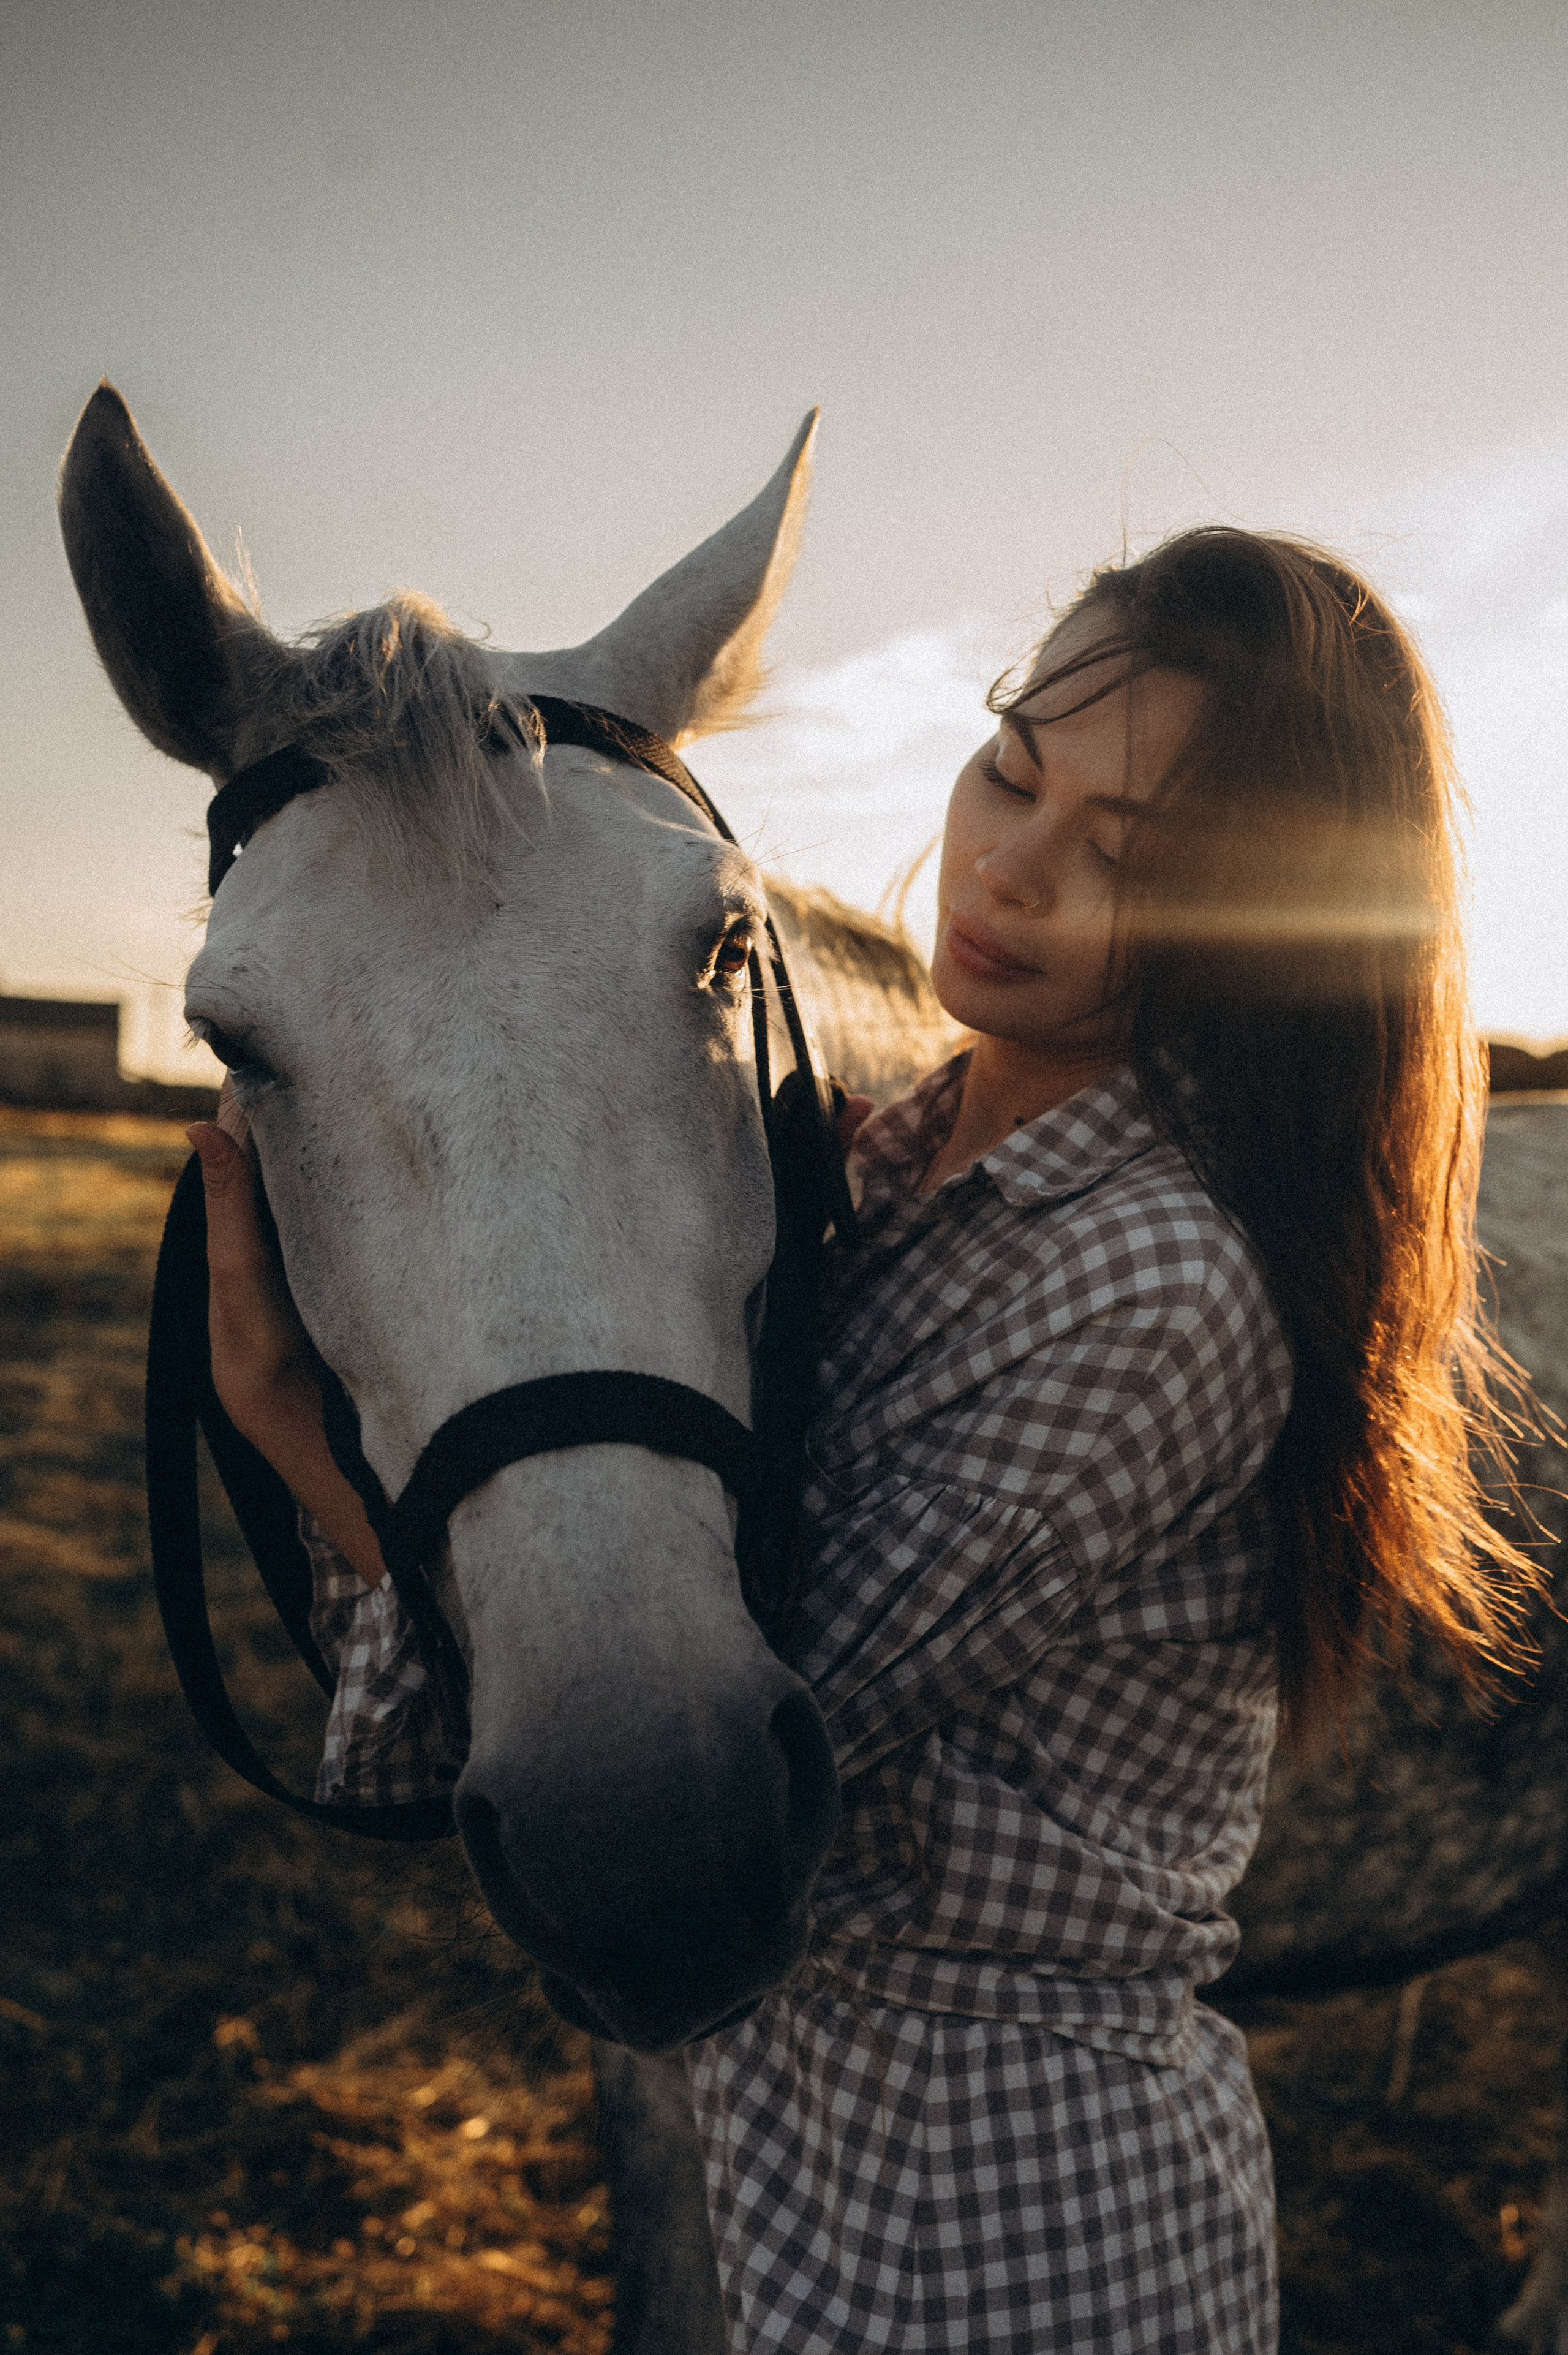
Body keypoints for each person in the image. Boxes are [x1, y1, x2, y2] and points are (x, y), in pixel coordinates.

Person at [188, 525, 1534, 2354]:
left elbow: (707, 1734)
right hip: (810, 2197)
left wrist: (286, 1420)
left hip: (1030, 2231)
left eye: (1126, 856)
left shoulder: (1167, 1280)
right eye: (1014, 772)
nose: (1012, 869)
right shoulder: (876, 1172)